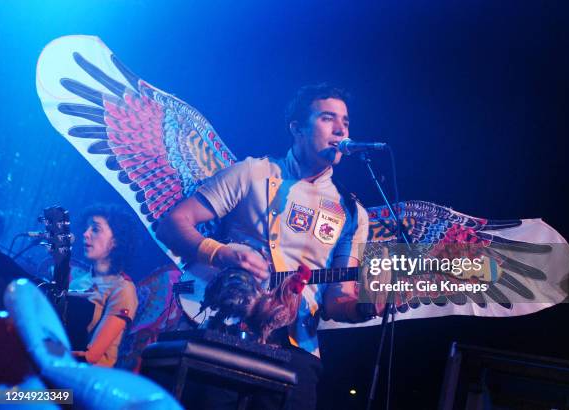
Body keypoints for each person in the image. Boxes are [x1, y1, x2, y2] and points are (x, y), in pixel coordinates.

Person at [157, 84, 374, 409]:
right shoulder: (252, 172)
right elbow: (173, 224)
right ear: (297, 129)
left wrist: (363, 307)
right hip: (227, 328)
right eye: (328, 118)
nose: (341, 128)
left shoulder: (353, 211)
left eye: (345, 121)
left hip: (296, 346)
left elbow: (335, 299)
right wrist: (221, 253)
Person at [72, 204, 139, 368]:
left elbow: (91, 355)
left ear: (115, 241)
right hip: (55, 368)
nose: (85, 234)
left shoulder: (123, 288)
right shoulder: (78, 281)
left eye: (95, 229)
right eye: (87, 228)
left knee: (10, 395)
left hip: (83, 382)